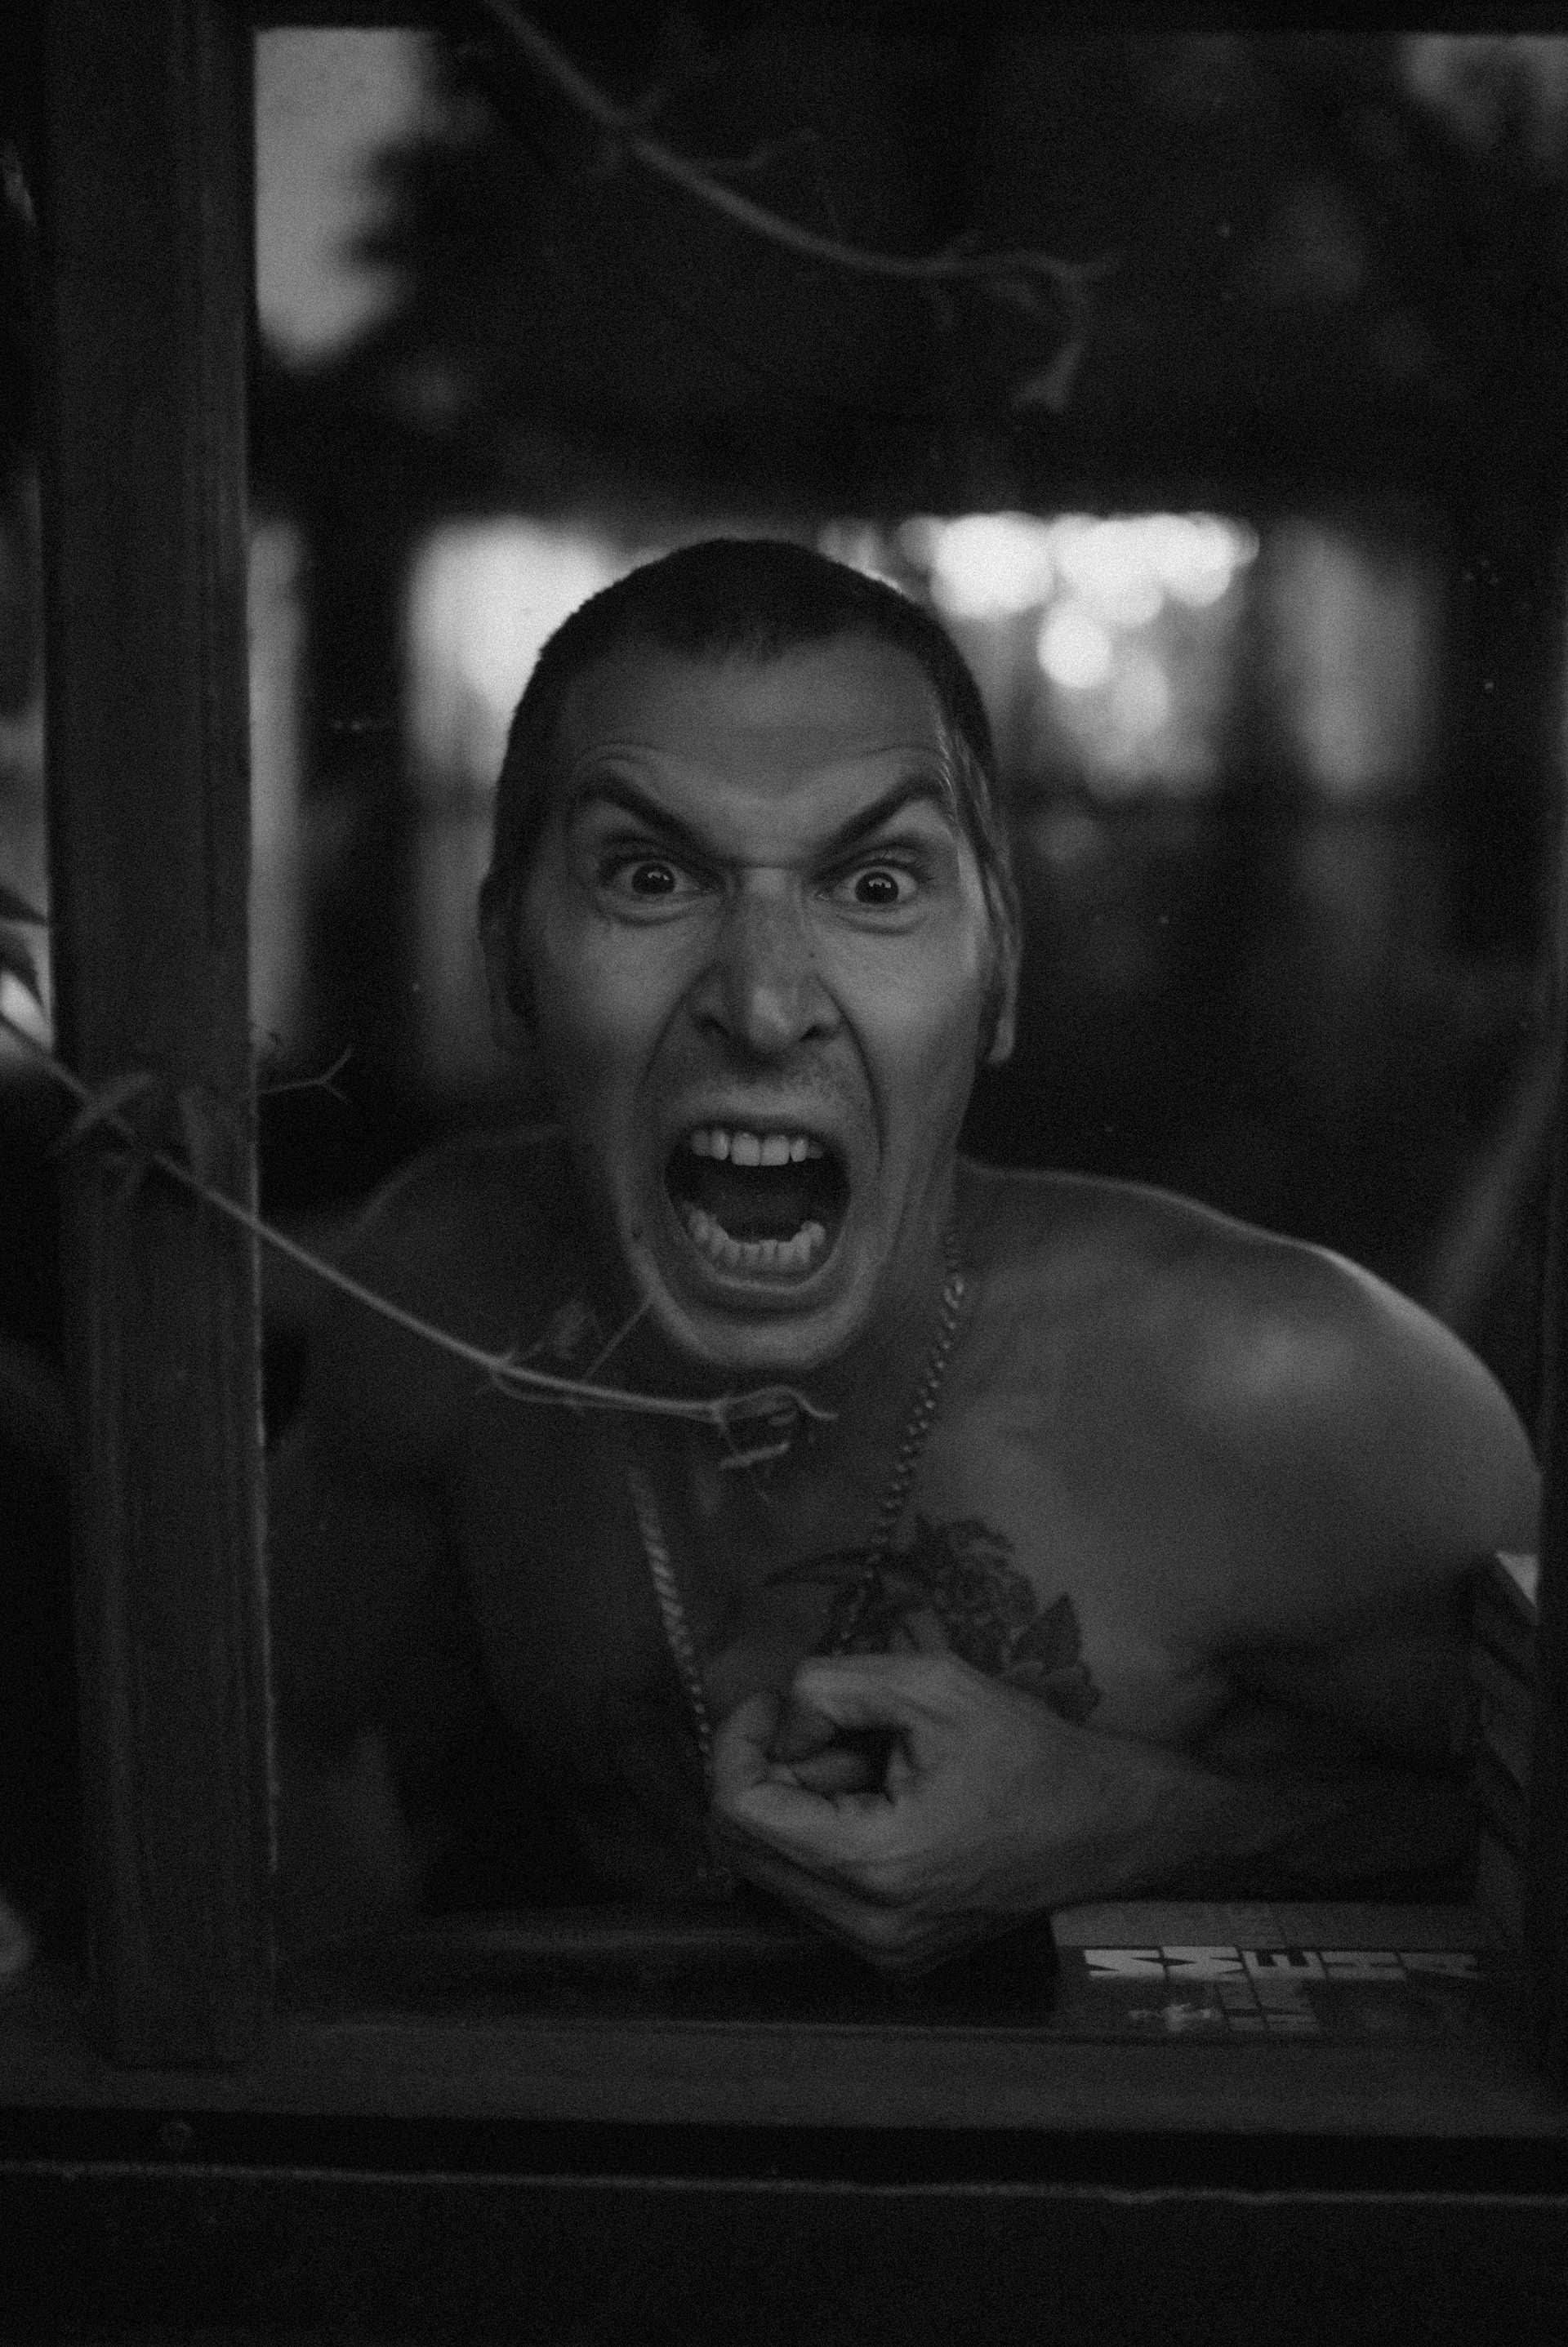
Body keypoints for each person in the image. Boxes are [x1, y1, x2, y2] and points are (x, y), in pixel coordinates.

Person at [268, 537, 1539, 1975]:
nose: (765, 1004)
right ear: (509, 959)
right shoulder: (452, 1300)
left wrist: (1152, 1825)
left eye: (875, 884)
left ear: (999, 975)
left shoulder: (1289, 1388)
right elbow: (275, 1728)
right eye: (650, 874)